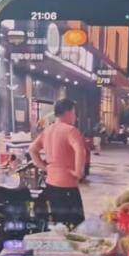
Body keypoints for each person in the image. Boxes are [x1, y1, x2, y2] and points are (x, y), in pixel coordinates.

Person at [29, 97, 87, 227]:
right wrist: (78, 172)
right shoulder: (70, 130)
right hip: (67, 185)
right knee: (76, 226)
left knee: (59, 224)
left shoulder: (47, 130)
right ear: (69, 112)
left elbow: (32, 149)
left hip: (51, 184)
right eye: (74, 113)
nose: (75, 117)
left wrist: (44, 167)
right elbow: (80, 150)